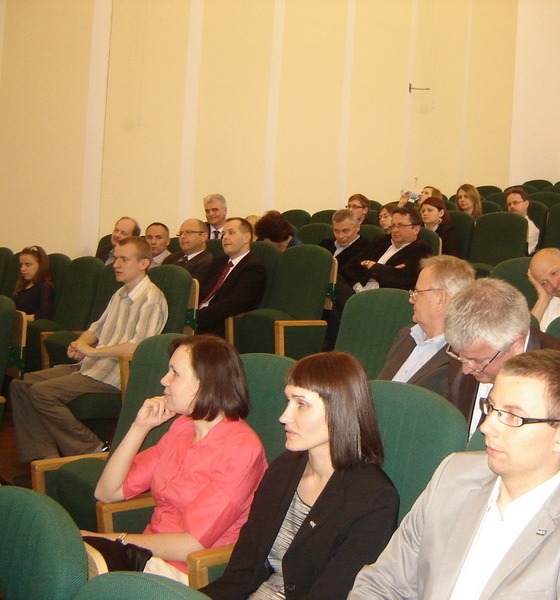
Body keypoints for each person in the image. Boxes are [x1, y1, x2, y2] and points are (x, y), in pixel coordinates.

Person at [350, 350, 560, 600]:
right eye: (491, 408)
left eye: (512, 416)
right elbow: (382, 583)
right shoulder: (453, 475)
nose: (486, 426)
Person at [200, 351, 399, 600]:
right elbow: (242, 571)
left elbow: (334, 593)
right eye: (288, 401)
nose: (284, 417)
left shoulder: (374, 499)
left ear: (339, 410)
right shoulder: (284, 469)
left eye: (301, 404)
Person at [81, 335, 267, 583]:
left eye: (175, 373)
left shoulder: (241, 449)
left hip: (192, 572)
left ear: (205, 384)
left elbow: (191, 545)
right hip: (149, 559)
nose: (164, 380)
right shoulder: (182, 428)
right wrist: (140, 427)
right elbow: (107, 492)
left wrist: (113, 540)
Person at [10, 236, 167, 462]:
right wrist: (79, 343)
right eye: (116, 258)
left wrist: (91, 351)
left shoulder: (151, 299)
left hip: (115, 373)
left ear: (144, 263)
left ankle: (92, 449)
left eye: (124, 259)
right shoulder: (120, 293)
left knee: (42, 393)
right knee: (20, 384)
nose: (116, 264)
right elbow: (97, 327)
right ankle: (43, 458)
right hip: (92, 365)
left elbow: (137, 347)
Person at [445, 278, 560, 435]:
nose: (465, 369)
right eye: (460, 357)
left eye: (478, 361)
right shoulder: (467, 354)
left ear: (516, 344)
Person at [378, 256, 475, 397]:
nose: (411, 300)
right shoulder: (406, 335)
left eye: (418, 293)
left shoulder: (461, 357)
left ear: (440, 300)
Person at [197, 218, 267, 338]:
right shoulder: (218, 262)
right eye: (223, 234)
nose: (225, 237)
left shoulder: (253, 267)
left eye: (231, 232)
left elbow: (234, 304)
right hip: (198, 319)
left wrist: (196, 317)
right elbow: (202, 292)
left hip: (219, 325)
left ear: (246, 238)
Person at [340, 206, 431, 296]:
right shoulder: (381, 240)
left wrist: (369, 264)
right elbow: (351, 266)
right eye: (393, 225)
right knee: (336, 278)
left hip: (383, 297)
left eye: (401, 225)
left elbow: (400, 280)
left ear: (415, 229)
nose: (395, 230)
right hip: (354, 290)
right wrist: (379, 274)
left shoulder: (421, 250)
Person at [12, 245, 54, 321]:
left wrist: (19, 318)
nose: (23, 269)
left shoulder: (45, 287)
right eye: (21, 265)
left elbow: (44, 315)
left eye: (28, 264)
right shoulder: (22, 286)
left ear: (40, 265)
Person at [504, 187, 540, 254]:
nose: (511, 206)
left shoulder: (531, 229)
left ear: (526, 204)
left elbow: (523, 254)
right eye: (509, 204)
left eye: (515, 202)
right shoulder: (504, 226)